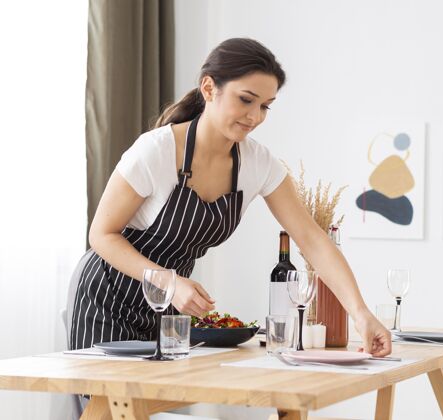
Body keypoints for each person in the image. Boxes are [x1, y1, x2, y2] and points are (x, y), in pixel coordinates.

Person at [67, 37, 391, 357]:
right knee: (107, 407)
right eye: (246, 100)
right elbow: (101, 235)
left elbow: (312, 239)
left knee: (147, 405)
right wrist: (169, 283)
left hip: (168, 307)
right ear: (209, 88)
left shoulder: (258, 163)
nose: (255, 117)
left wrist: (360, 314)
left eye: (265, 106)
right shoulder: (157, 151)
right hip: (107, 296)